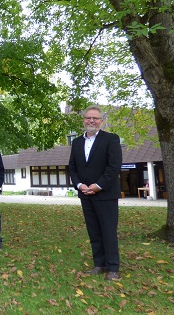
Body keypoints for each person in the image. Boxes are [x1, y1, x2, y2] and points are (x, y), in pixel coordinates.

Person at [68, 105, 122, 281]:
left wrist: (99, 185)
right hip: (85, 194)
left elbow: (114, 167)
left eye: (95, 118)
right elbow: (73, 167)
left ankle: (113, 268)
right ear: (84, 120)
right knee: (94, 232)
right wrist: (79, 185)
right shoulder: (76, 142)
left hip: (105, 194)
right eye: (88, 118)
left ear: (101, 121)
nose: (91, 121)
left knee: (108, 231)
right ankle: (99, 264)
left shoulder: (111, 139)